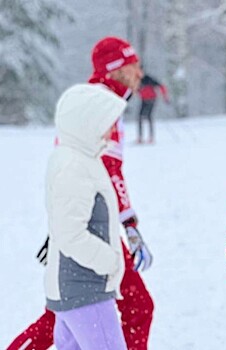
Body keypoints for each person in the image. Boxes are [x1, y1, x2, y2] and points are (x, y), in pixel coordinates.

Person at [8, 37, 154, 350]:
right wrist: (129, 226)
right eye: (134, 66)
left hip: (82, 225)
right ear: (117, 70)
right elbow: (107, 171)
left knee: (68, 313)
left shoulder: (95, 103)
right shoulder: (100, 109)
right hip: (92, 230)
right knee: (135, 306)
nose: (140, 73)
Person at [45, 83, 128, 350]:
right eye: (106, 122)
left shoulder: (80, 158)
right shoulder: (74, 166)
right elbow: (70, 234)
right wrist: (109, 261)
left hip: (75, 289)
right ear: (87, 122)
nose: (111, 129)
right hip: (85, 289)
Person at [137, 73, 169, 144]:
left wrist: (165, 97)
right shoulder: (137, 80)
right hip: (144, 100)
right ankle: (141, 137)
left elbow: (161, 86)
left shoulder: (148, 79)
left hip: (151, 99)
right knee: (140, 117)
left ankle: (150, 137)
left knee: (148, 117)